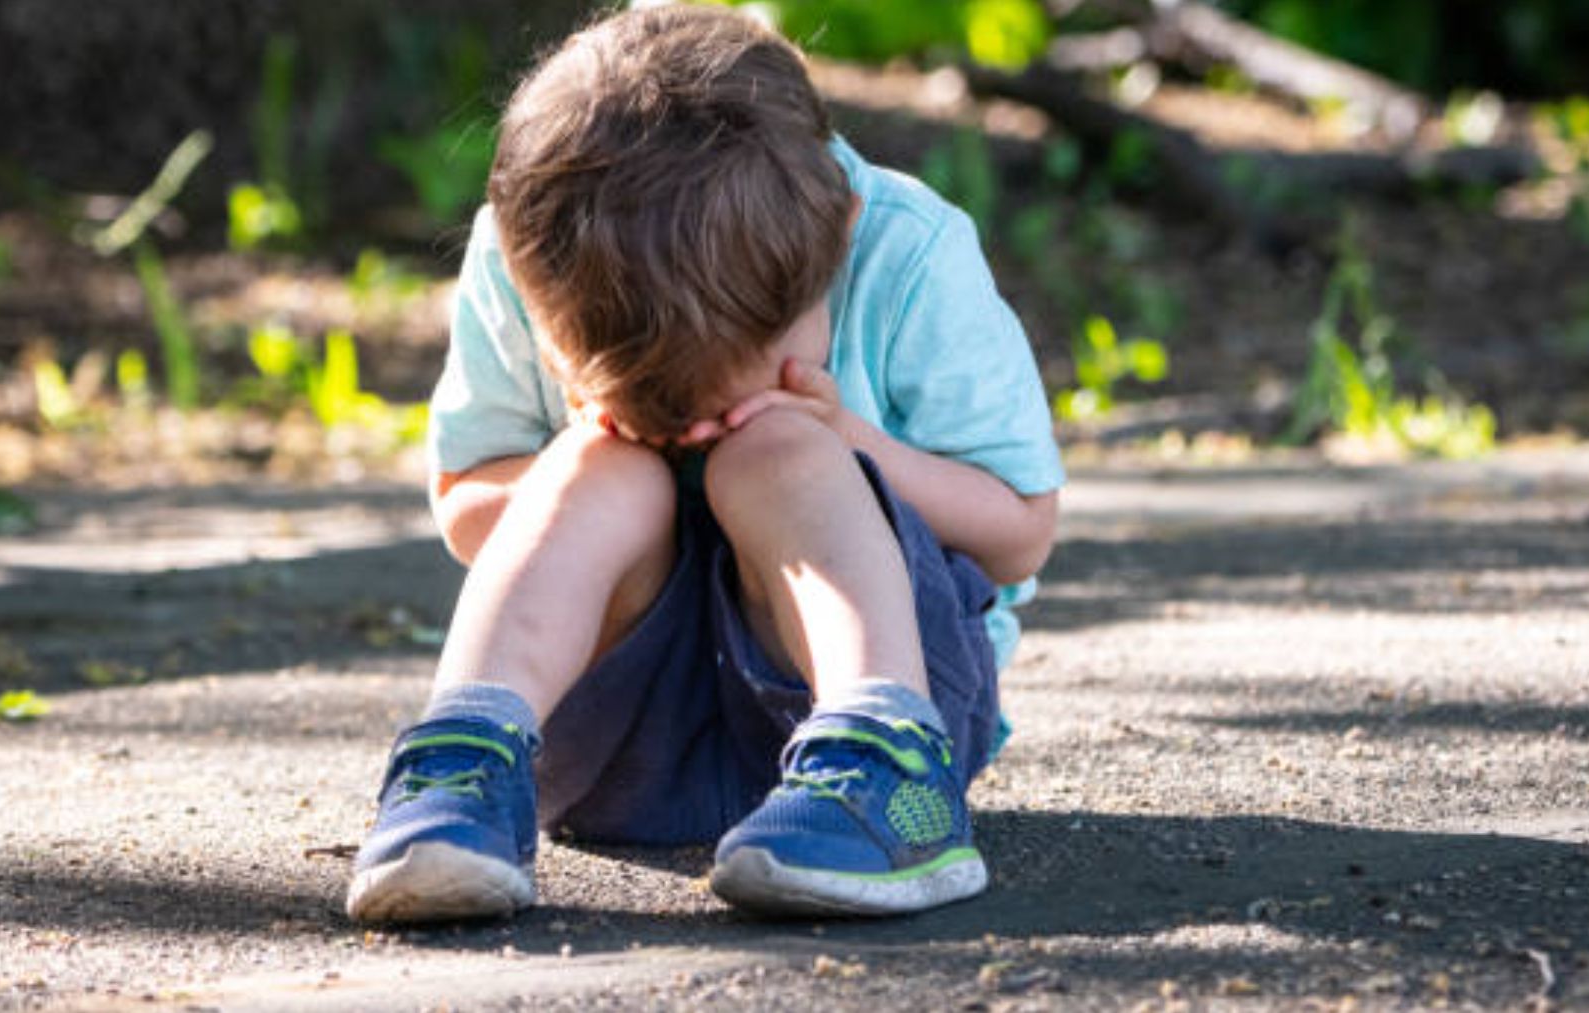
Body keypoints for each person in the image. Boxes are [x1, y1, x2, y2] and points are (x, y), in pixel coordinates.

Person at [345, 3, 1063, 923]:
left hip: (865, 684)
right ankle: (466, 761)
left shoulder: (907, 247)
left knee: (777, 449)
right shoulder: (532, 250)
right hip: (613, 736)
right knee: (599, 469)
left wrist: (854, 441)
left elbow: (1021, 533)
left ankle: (887, 760)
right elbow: (464, 500)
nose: (694, 431)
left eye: (720, 393)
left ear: (834, 238)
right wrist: (593, 447)